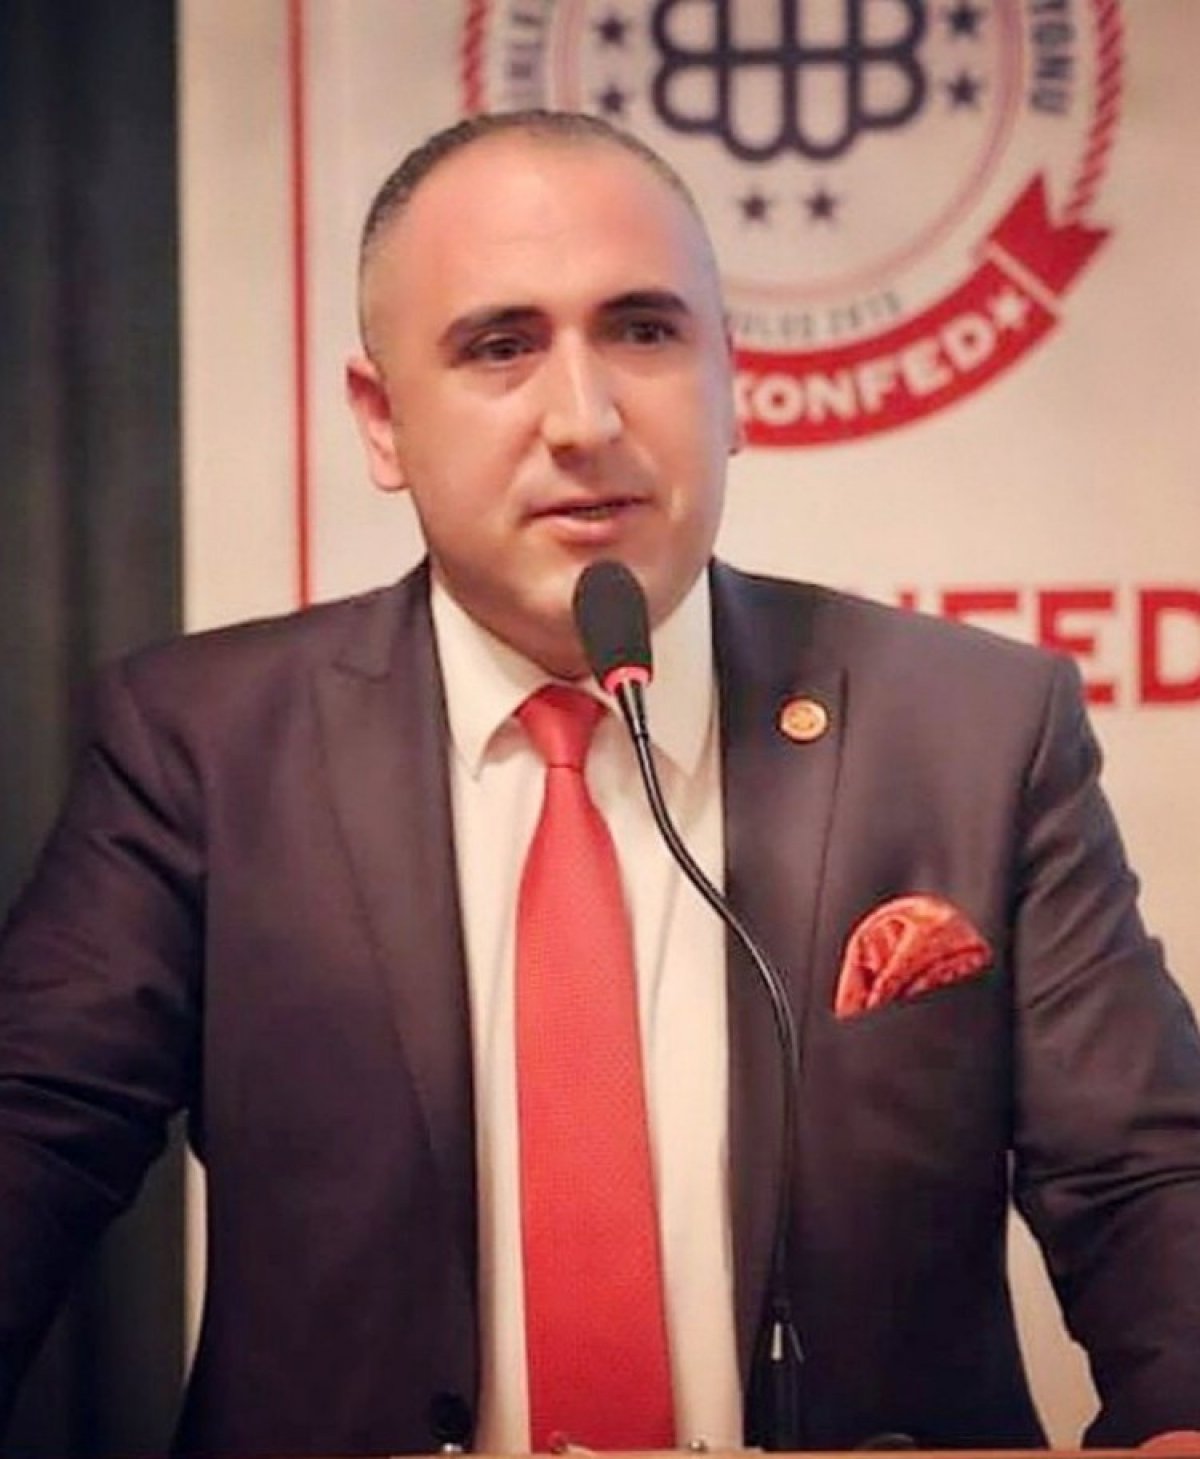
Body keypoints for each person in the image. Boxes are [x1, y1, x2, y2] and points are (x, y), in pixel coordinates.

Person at [2, 108, 1200, 1457]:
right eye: (500, 346)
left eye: (642, 330)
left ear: (730, 381)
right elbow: (36, 1127)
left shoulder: (974, 729)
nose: (585, 419)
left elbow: (1147, 1173)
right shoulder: (204, 745)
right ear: (383, 421)